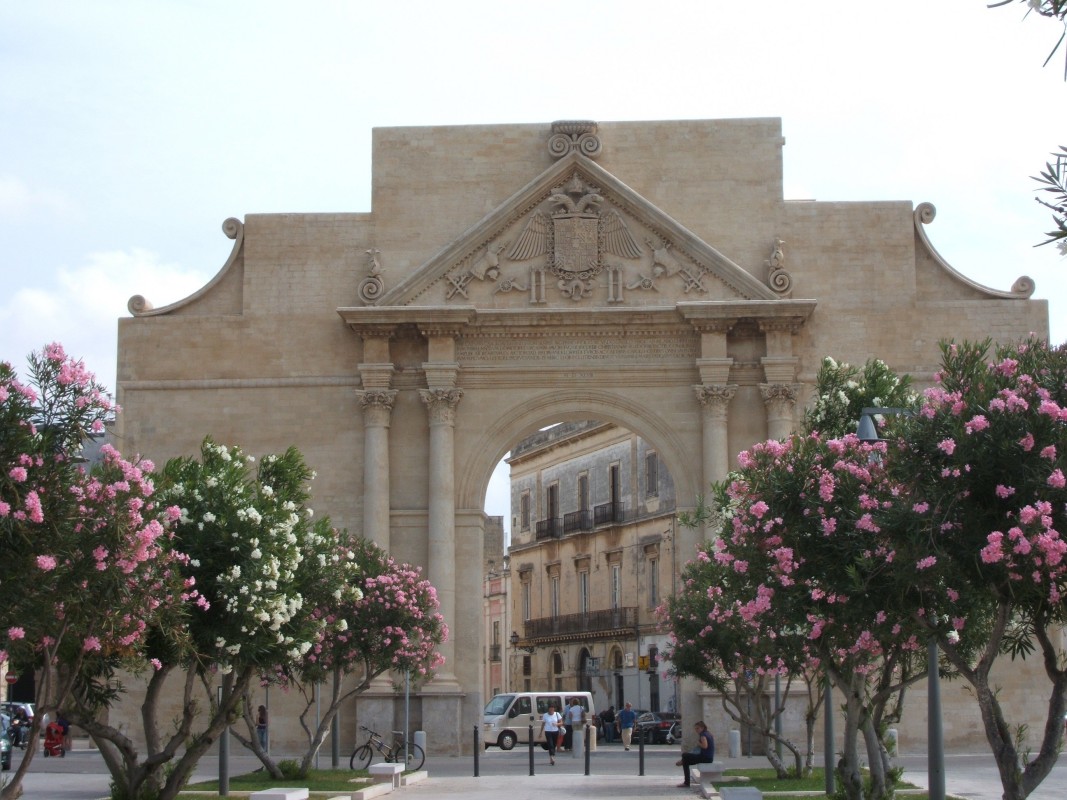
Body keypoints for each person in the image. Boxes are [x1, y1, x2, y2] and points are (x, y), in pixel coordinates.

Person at [676, 721, 714, 788]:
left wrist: (698, 743)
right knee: (686, 762)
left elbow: (705, 746)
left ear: (702, 728)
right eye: (695, 728)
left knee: (684, 755)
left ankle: (686, 782)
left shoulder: (703, 735)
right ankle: (686, 783)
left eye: (697, 728)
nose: (696, 730)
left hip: (705, 757)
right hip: (708, 758)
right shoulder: (708, 733)